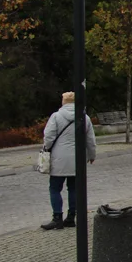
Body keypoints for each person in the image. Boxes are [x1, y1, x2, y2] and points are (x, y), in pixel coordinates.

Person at [40, 91, 97, 230]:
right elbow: (90, 139)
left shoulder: (56, 116)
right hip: (78, 159)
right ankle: (71, 217)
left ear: (63, 101)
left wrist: (47, 149)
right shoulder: (84, 118)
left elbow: (48, 136)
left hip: (58, 159)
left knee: (54, 188)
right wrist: (92, 155)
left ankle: (57, 218)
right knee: (73, 189)